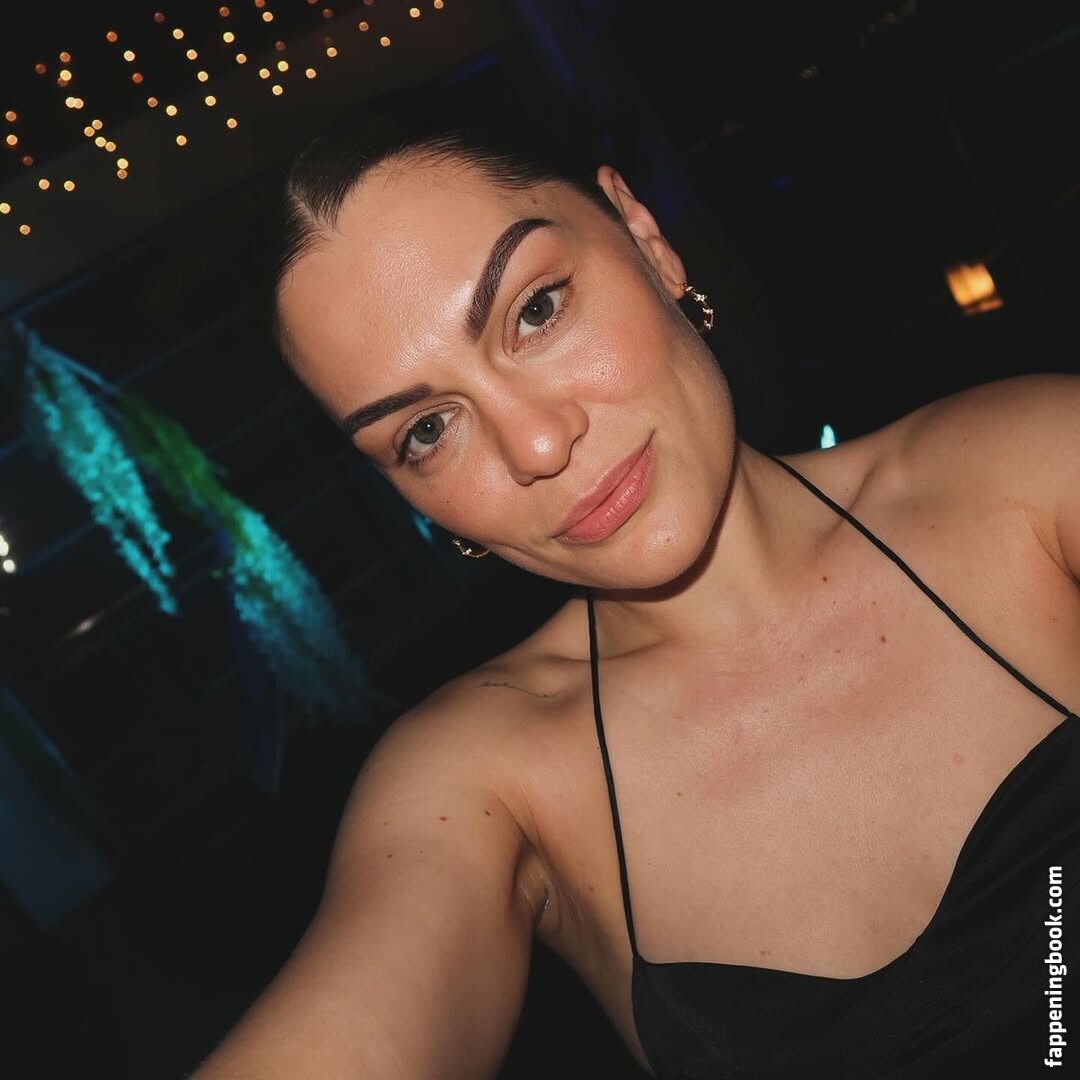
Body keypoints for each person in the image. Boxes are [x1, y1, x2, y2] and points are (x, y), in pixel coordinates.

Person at [191, 87, 1079, 1079]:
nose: (536, 444)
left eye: (536, 310)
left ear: (645, 238)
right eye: (426, 431)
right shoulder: (484, 780)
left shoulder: (1027, 482)